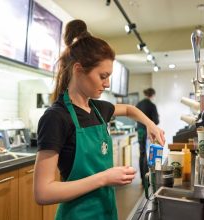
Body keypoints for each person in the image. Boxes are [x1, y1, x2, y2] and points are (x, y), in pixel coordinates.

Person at [33, 19, 165, 220]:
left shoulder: (98, 109)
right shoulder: (56, 117)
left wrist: (150, 124)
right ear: (78, 70)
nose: (107, 83)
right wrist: (104, 178)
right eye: (103, 76)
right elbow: (43, 192)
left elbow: (130, 109)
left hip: (107, 212)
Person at [136, 88, 159, 187]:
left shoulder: (139, 104)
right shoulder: (152, 105)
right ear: (152, 95)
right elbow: (156, 121)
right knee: (148, 156)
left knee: (142, 155)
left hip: (140, 132)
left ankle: (142, 180)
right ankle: (147, 180)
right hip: (147, 133)